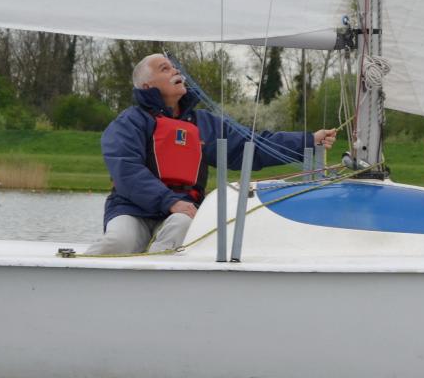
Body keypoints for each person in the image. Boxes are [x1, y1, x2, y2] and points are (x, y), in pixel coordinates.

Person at [86, 53, 337, 255]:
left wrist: (307, 141)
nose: (175, 71)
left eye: (174, 67)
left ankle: (154, 287)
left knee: (180, 227)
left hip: (182, 212)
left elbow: (252, 145)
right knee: (118, 242)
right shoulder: (128, 123)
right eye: (165, 68)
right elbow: (127, 170)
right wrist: (169, 201)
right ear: (147, 86)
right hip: (131, 208)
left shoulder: (204, 123)